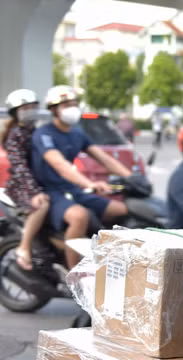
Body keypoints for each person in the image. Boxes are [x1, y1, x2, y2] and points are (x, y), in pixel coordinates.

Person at [31, 85, 132, 269]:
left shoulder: (77, 133)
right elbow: (60, 165)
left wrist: (131, 177)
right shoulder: (43, 134)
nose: (72, 108)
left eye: (74, 103)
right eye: (66, 104)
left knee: (121, 210)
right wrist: (90, 183)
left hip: (73, 190)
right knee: (79, 217)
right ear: (53, 110)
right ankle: (75, 276)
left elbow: (103, 158)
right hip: (50, 192)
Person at [1, 89, 50, 270]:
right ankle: (24, 247)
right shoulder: (15, 135)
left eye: (33, 107)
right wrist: (34, 192)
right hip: (22, 186)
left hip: (38, 183)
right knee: (41, 205)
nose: (31, 110)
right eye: (26, 107)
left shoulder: (36, 131)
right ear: (16, 111)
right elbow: (20, 167)